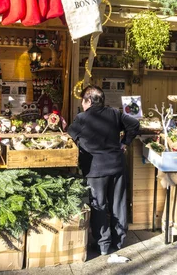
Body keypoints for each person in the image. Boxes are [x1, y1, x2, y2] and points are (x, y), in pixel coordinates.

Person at [67, 85, 140, 255]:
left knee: (99, 205)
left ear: (89, 100)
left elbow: (70, 135)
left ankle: (103, 245)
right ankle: (119, 241)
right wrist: (125, 143)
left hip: (95, 170)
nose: (82, 104)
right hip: (117, 166)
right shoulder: (114, 113)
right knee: (118, 204)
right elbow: (134, 124)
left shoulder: (82, 118)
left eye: (83, 100)